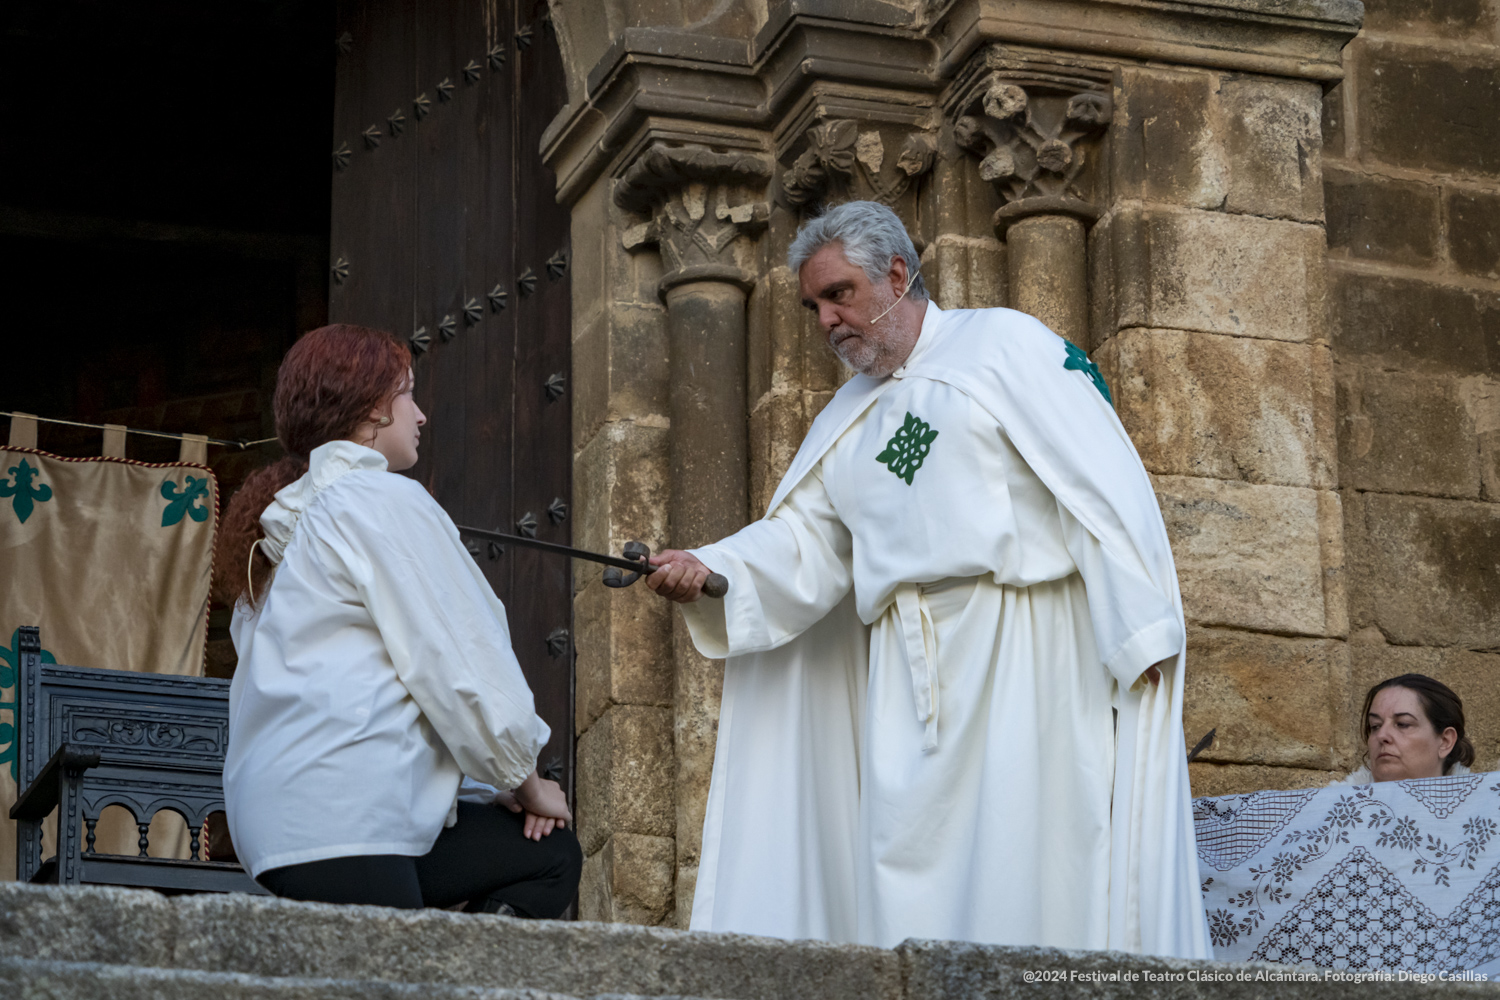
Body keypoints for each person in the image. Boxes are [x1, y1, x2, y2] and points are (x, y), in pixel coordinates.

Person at [645, 201, 1209, 958]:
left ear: (897, 274)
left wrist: (1136, 627)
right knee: (902, 883)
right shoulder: (846, 419)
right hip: (904, 686)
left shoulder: (1003, 346)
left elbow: (1098, 488)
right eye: (814, 306)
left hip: (1023, 656)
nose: (826, 320)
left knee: (1021, 864)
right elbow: (807, 542)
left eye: (839, 294)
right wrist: (714, 569)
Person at [216, 323, 581, 915]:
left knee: (550, 854)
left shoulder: (283, 537)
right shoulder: (378, 500)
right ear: (372, 409)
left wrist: (489, 789)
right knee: (552, 852)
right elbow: (459, 660)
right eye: (408, 393)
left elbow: (380, 698)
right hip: (348, 818)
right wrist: (527, 782)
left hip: (281, 827)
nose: (421, 414)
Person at [1332, 674, 1476, 785]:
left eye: (1403, 724)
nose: (1381, 735)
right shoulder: (1332, 811)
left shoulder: (1484, 812)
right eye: (1375, 726)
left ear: (1445, 741)